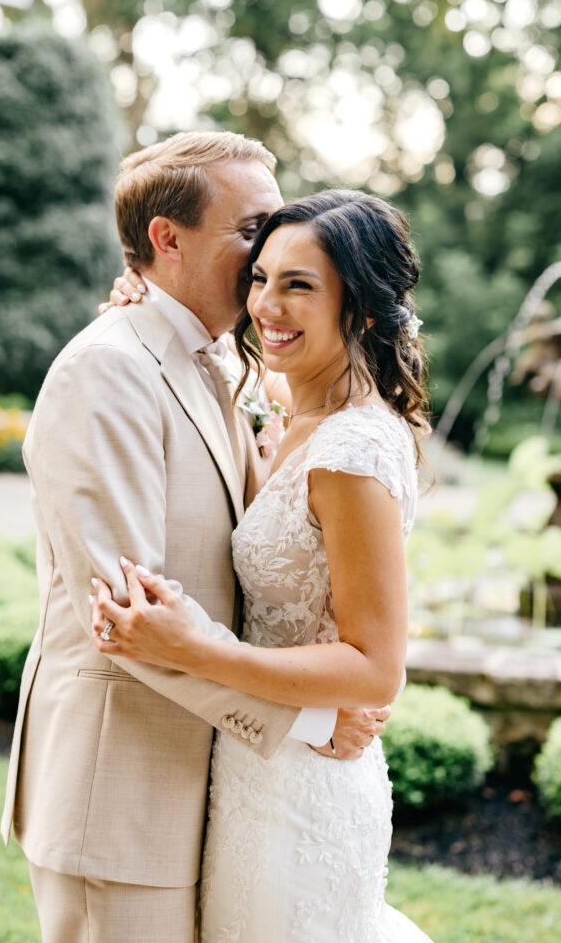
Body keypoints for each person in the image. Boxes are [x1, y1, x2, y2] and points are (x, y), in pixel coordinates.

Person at [1, 132, 386, 943]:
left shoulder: (219, 362)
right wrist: (312, 720)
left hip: (208, 787)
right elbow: (131, 621)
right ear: (165, 241)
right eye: (249, 230)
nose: (267, 252)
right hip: (121, 794)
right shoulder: (104, 370)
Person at [90, 188, 433, 942]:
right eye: (260, 279)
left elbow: (376, 669)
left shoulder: (351, 453)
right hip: (252, 771)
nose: (266, 306)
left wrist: (198, 650)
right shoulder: (294, 409)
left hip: (305, 795)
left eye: (299, 285)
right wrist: (145, 300)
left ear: (365, 309)